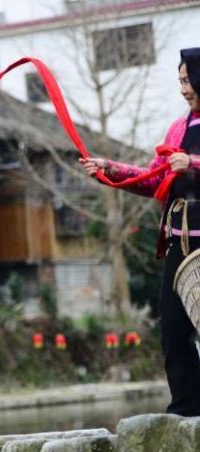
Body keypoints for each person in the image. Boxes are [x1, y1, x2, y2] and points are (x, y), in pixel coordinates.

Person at [79, 48, 200, 416]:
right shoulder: (179, 128)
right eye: (179, 81)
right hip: (179, 241)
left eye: (187, 80)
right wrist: (109, 169)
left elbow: (187, 167)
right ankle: (188, 409)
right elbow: (154, 179)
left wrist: (193, 163)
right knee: (174, 329)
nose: (183, 88)